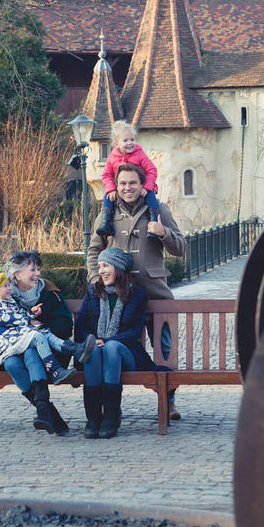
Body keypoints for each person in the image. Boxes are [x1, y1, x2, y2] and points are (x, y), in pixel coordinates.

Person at [87, 162, 187, 419]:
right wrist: (95, 278)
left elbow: (181, 248)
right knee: (117, 349)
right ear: (116, 186)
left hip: (155, 295)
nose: (127, 188)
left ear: (143, 185)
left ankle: (169, 401)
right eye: (122, 183)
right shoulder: (106, 213)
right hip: (119, 298)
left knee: (165, 351)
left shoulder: (158, 209)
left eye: (132, 183)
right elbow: (94, 251)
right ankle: (111, 407)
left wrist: (164, 233)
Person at [0, 271, 94, 435]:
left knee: (35, 345)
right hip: (9, 347)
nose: (9, 288)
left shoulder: (12, 300)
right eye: (5, 286)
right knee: (14, 362)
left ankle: (45, 412)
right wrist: (29, 319)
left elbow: (21, 316)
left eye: (8, 285)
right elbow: (9, 319)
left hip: (22, 343)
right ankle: (47, 407)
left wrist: (31, 314)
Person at [74, 248, 156, 439]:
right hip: (96, 352)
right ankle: (93, 418)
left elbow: (133, 333)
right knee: (92, 350)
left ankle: (111, 416)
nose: (101, 271)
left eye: (106, 266)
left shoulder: (136, 295)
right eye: (99, 266)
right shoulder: (93, 292)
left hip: (125, 353)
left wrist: (107, 340)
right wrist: (95, 341)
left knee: (110, 347)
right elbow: (82, 327)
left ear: (119, 268)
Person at [97, 121, 161, 239]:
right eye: (125, 141)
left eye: (132, 140)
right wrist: (111, 189)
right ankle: (107, 223)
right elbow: (106, 175)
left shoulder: (139, 154)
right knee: (107, 197)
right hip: (121, 189)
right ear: (116, 144)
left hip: (142, 186)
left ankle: (153, 224)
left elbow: (151, 170)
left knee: (151, 196)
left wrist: (147, 186)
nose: (130, 143)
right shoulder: (112, 158)